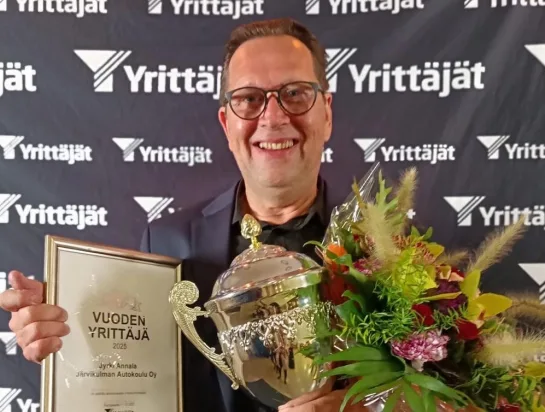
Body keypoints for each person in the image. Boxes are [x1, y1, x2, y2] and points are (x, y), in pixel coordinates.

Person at [0, 18, 367, 412]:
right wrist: (66, 328)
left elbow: (414, 385)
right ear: (227, 123)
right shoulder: (167, 244)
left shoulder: (386, 246)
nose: (273, 117)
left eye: (295, 93)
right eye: (249, 98)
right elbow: (131, 367)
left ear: (326, 114)